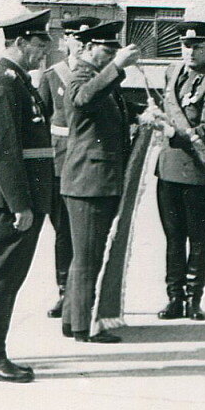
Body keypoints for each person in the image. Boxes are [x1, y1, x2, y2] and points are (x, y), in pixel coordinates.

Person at [0, 10, 54, 383]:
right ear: (20, 42)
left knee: (11, 277)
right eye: (39, 44)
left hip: (25, 198)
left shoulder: (19, 82)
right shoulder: (2, 86)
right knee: (5, 278)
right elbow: (4, 152)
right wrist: (20, 204)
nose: (44, 51)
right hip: (14, 203)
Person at [143, 21, 205, 321]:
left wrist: (170, 131)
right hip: (168, 170)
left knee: (198, 239)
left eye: (198, 46)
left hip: (197, 172)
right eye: (186, 46)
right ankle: (174, 298)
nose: (191, 52)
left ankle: (194, 299)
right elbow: (169, 109)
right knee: (173, 238)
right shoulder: (172, 72)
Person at [60, 21, 140, 343]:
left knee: (87, 254)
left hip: (97, 180)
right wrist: (117, 66)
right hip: (88, 181)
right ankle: (84, 326)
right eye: (107, 51)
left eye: (113, 52)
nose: (111, 56)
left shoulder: (99, 77)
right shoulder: (81, 76)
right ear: (89, 48)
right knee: (88, 257)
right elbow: (84, 99)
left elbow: (114, 107)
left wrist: (140, 114)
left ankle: (72, 320)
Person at [36, 16, 101, 319]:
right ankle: (65, 291)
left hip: (90, 163)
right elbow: (40, 122)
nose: (82, 44)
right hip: (61, 164)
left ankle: (87, 294)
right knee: (64, 231)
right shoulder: (53, 76)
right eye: (76, 38)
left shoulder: (98, 75)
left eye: (88, 39)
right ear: (66, 42)